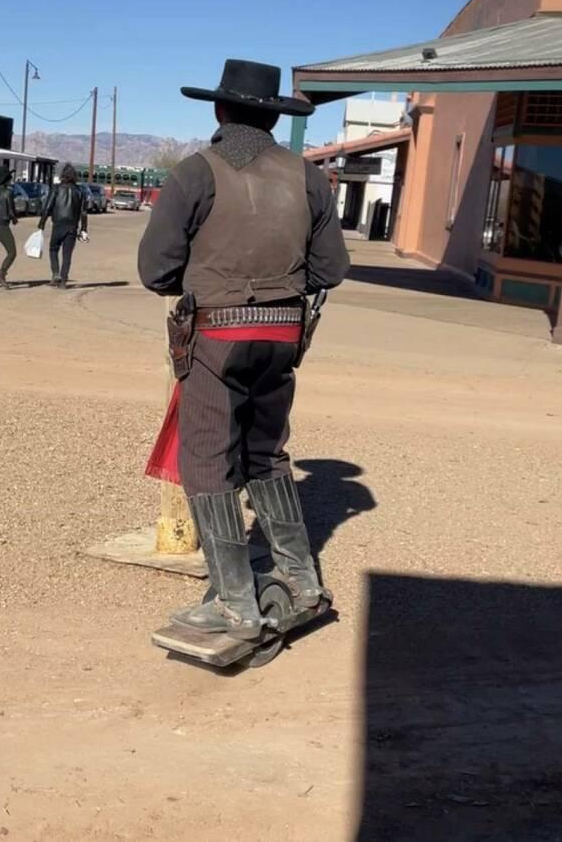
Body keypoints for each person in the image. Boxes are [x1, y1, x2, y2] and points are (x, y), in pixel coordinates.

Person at [138, 59, 350, 640]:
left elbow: (156, 272)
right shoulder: (308, 178)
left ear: (219, 110)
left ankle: (234, 601)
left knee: (207, 458)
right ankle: (301, 579)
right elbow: (331, 268)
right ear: (273, 118)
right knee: (266, 453)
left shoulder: (195, 173)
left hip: (217, 337)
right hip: (283, 338)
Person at [38, 163, 88, 288]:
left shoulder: (56, 189)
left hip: (58, 225)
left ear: (62, 176)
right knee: (67, 254)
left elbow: (48, 207)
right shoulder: (80, 191)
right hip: (72, 227)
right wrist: (84, 229)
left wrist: (42, 222)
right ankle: (63, 281)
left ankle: (55, 274)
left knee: (53, 249)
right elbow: (83, 212)